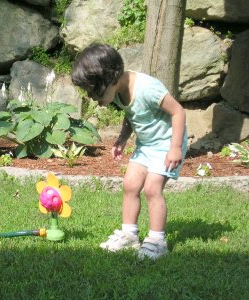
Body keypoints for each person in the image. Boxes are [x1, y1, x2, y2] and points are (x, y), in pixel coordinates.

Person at [72, 44, 188, 259]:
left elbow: (178, 111)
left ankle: (156, 241)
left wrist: (174, 148)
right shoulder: (118, 90)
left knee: (152, 189)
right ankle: (129, 235)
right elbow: (130, 113)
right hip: (146, 145)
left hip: (166, 144)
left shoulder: (148, 88)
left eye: (97, 93)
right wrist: (122, 139)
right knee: (130, 185)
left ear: (112, 77)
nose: (95, 100)